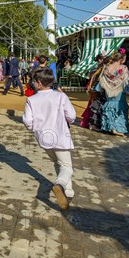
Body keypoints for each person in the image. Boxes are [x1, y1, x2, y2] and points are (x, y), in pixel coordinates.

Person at [23, 68, 76, 210]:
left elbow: (28, 121)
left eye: (34, 81)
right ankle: (60, 185)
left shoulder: (31, 99)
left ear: (39, 83)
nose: (32, 83)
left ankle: (68, 192)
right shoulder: (60, 97)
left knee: (57, 162)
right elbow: (71, 116)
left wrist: (35, 129)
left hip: (44, 138)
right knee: (67, 166)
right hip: (60, 135)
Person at [98, 52, 129, 136]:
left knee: (109, 107)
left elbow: (101, 79)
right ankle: (118, 128)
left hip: (108, 90)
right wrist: (127, 90)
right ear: (120, 60)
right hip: (119, 91)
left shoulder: (107, 68)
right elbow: (126, 80)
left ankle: (110, 127)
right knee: (120, 108)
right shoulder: (123, 68)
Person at [81, 54, 104, 130]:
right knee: (94, 106)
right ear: (100, 60)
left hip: (93, 89)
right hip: (96, 90)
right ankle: (91, 123)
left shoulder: (96, 68)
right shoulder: (98, 69)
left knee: (93, 106)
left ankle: (90, 123)